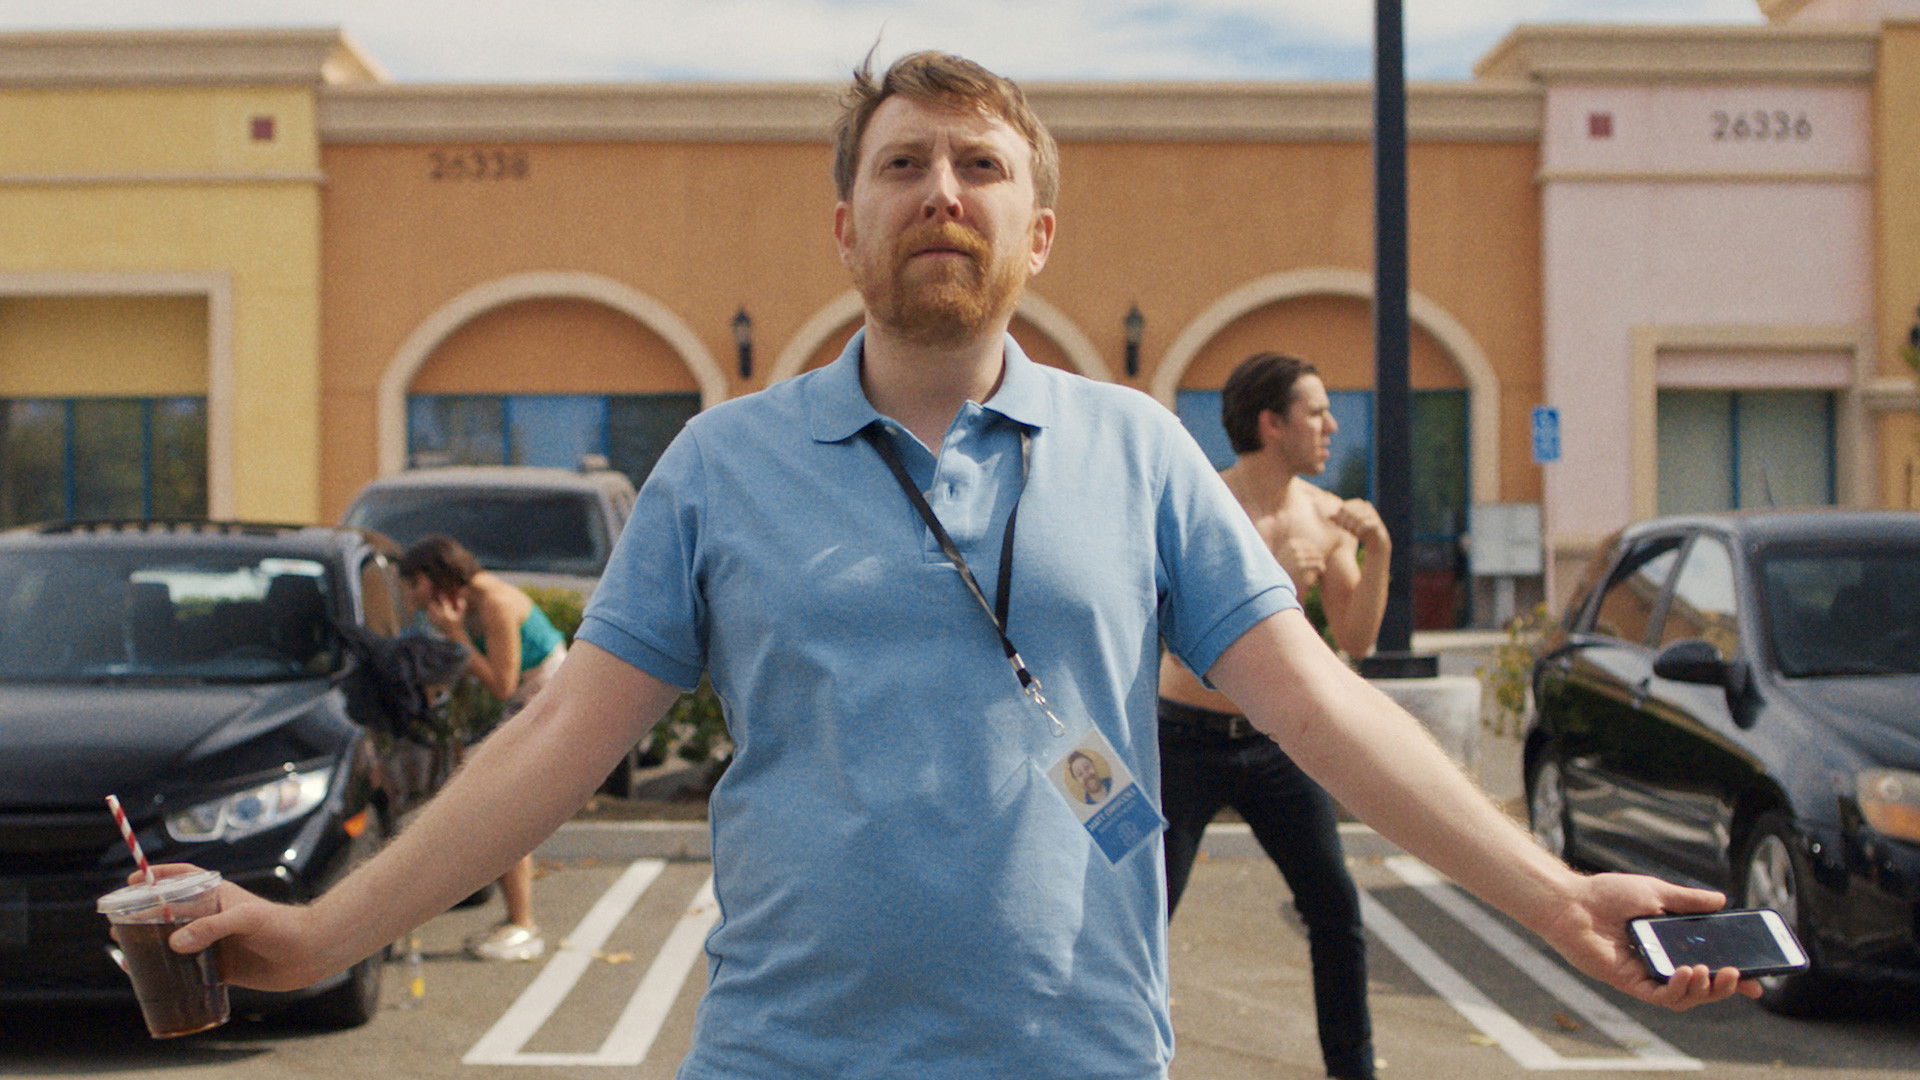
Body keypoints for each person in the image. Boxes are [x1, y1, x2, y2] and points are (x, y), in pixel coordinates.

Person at [148, 50, 1756, 1080]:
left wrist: (1555, 899)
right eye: (903, 163)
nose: (942, 191)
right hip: (785, 1058)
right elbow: (559, 739)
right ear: (844, 227)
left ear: (1036, 235)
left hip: (1080, 1056)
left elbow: (1322, 708)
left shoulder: (1138, 452)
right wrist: (318, 936)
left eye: (981, 166)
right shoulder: (720, 465)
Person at [1157, 353, 1390, 1080]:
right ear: (1272, 424)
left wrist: (1377, 552)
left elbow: (1356, 638)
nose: (1332, 426)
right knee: (1141, 915)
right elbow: (1178, 635)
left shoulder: (1326, 516)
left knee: (1336, 913)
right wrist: (1270, 576)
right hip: (1183, 739)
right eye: (1316, 412)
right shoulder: (1206, 505)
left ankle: (1352, 1068)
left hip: (1276, 741)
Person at [398, 535, 566, 962]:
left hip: (546, 706)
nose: (412, 598)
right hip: (529, 705)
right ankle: (516, 920)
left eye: (414, 585)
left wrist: (455, 635)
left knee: (505, 814)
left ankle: (524, 926)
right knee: (497, 810)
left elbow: (502, 683)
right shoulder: (474, 598)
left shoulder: (495, 604)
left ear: (435, 577)